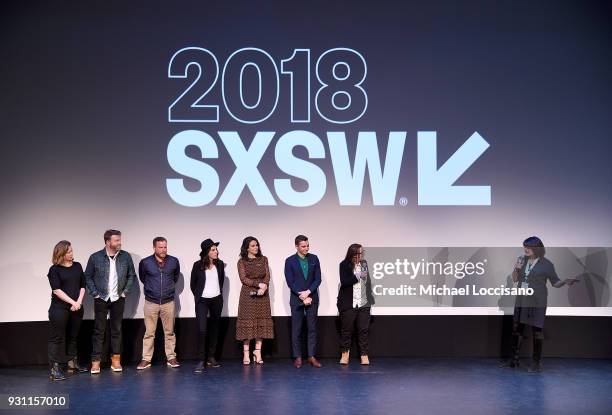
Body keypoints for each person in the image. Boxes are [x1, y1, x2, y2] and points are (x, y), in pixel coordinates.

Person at [501, 236, 577, 372]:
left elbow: (555, 282)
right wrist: (517, 268)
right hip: (522, 298)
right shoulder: (522, 260)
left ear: (537, 248)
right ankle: (514, 360)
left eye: (528, 247)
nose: (525, 249)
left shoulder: (546, 264)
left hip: (537, 300)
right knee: (517, 329)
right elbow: (514, 278)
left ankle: (536, 364)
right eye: (524, 247)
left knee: (537, 331)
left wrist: (565, 281)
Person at [84, 229, 136, 374]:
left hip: (118, 298)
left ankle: (116, 360)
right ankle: (96, 362)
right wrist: (94, 294)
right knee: (99, 331)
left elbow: (131, 275)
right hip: (101, 297)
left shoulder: (125, 257)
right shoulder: (95, 257)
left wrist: (125, 292)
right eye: (116, 240)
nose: (120, 242)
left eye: (120, 240)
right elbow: (87, 276)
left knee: (116, 330)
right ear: (108, 242)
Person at [137, 237, 180, 370]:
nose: (163, 250)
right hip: (151, 302)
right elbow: (143, 278)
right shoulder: (145, 262)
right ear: (154, 248)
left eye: (165, 247)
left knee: (170, 332)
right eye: (160, 247)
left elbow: (175, 277)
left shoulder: (173, 261)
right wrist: (152, 290)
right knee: (149, 333)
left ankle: (171, 357)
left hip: (168, 302)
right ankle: (146, 359)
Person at [47, 240, 86, 380]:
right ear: (61, 254)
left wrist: (79, 302)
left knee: (73, 336)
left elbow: (83, 285)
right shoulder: (54, 269)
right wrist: (72, 302)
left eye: (71, 251)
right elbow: (56, 290)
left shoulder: (77, 266)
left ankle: (72, 363)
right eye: (68, 252)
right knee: (56, 338)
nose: (71, 254)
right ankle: (54, 369)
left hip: (76, 306)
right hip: (59, 308)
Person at [284, 235, 322, 368]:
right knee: (297, 329)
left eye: (307, 246)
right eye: (303, 246)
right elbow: (290, 281)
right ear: (296, 246)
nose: (306, 248)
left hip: (312, 297)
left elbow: (318, 279)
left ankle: (311, 356)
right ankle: (298, 357)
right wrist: (302, 295)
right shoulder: (289, 261)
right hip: (297, 298)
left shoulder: (314, 258)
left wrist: (308, 292)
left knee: (312, 328)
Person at [236, 236, 274, 365]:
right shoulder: (242, 262)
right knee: (247, 324)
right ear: (246, 248)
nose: (256, 247)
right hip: (248, 296)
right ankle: (246, 353)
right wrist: (258, 285)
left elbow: (267, 275)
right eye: (253, 245)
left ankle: (257, 351)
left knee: (260, 323)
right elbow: (243, 278)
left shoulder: (264, 259)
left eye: (257, 245)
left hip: (262, 296)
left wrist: (264, 286)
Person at [190, 238, 226, 372]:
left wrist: (217, 294)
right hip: (202, 301)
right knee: (202, 329)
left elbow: (220, 281)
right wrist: (199, 296)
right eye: (213, 249)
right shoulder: (197, 265)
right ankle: (201, 359)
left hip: (216, 300)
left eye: (216, 249)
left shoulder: (220, 264)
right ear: (206, 252)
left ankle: (211, 356)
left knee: (215, 329)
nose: (216, 251)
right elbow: (193, 284)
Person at [337, 243, 374, 365]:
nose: (361, 255)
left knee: (363, 329)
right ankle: (345, 354)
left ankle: (364, 354)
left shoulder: (364, 264)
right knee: (347, 330)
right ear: (353, 253)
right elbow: (344, 282)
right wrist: (358, 275)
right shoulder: (344, 265)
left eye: (362, 253)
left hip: (363, 302)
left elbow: (366, 282)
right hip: (348, 303)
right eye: (359, 253)